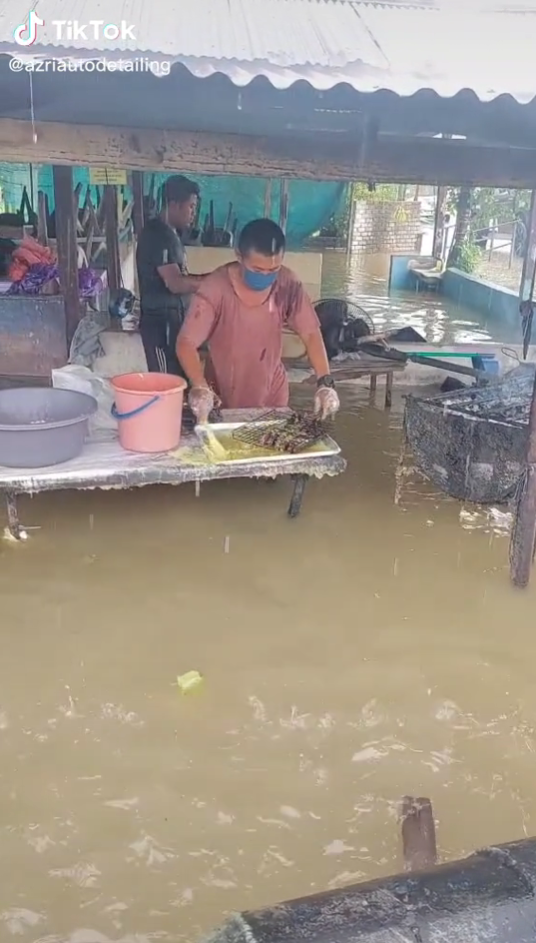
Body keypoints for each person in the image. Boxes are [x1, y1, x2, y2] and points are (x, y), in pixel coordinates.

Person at [176, 218, 340, 421]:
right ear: (239, 256)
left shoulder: (287, 283)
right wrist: (199, 386)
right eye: (257, 270)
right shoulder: (216, 288)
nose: (266, 276)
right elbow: (186, 342)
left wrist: (325, 382)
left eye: (273, 270)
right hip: (222, 393)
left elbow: (310, 333)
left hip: (272, 393)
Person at [136, 175, 205, 374]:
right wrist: (213, 282)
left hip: (173, 324)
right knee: (166, 383)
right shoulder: (157, 234)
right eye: (191, 206)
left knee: (180, 381)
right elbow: (175, 283)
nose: (193, 213)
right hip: (161, 326)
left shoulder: (171, 233)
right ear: (174, 204)